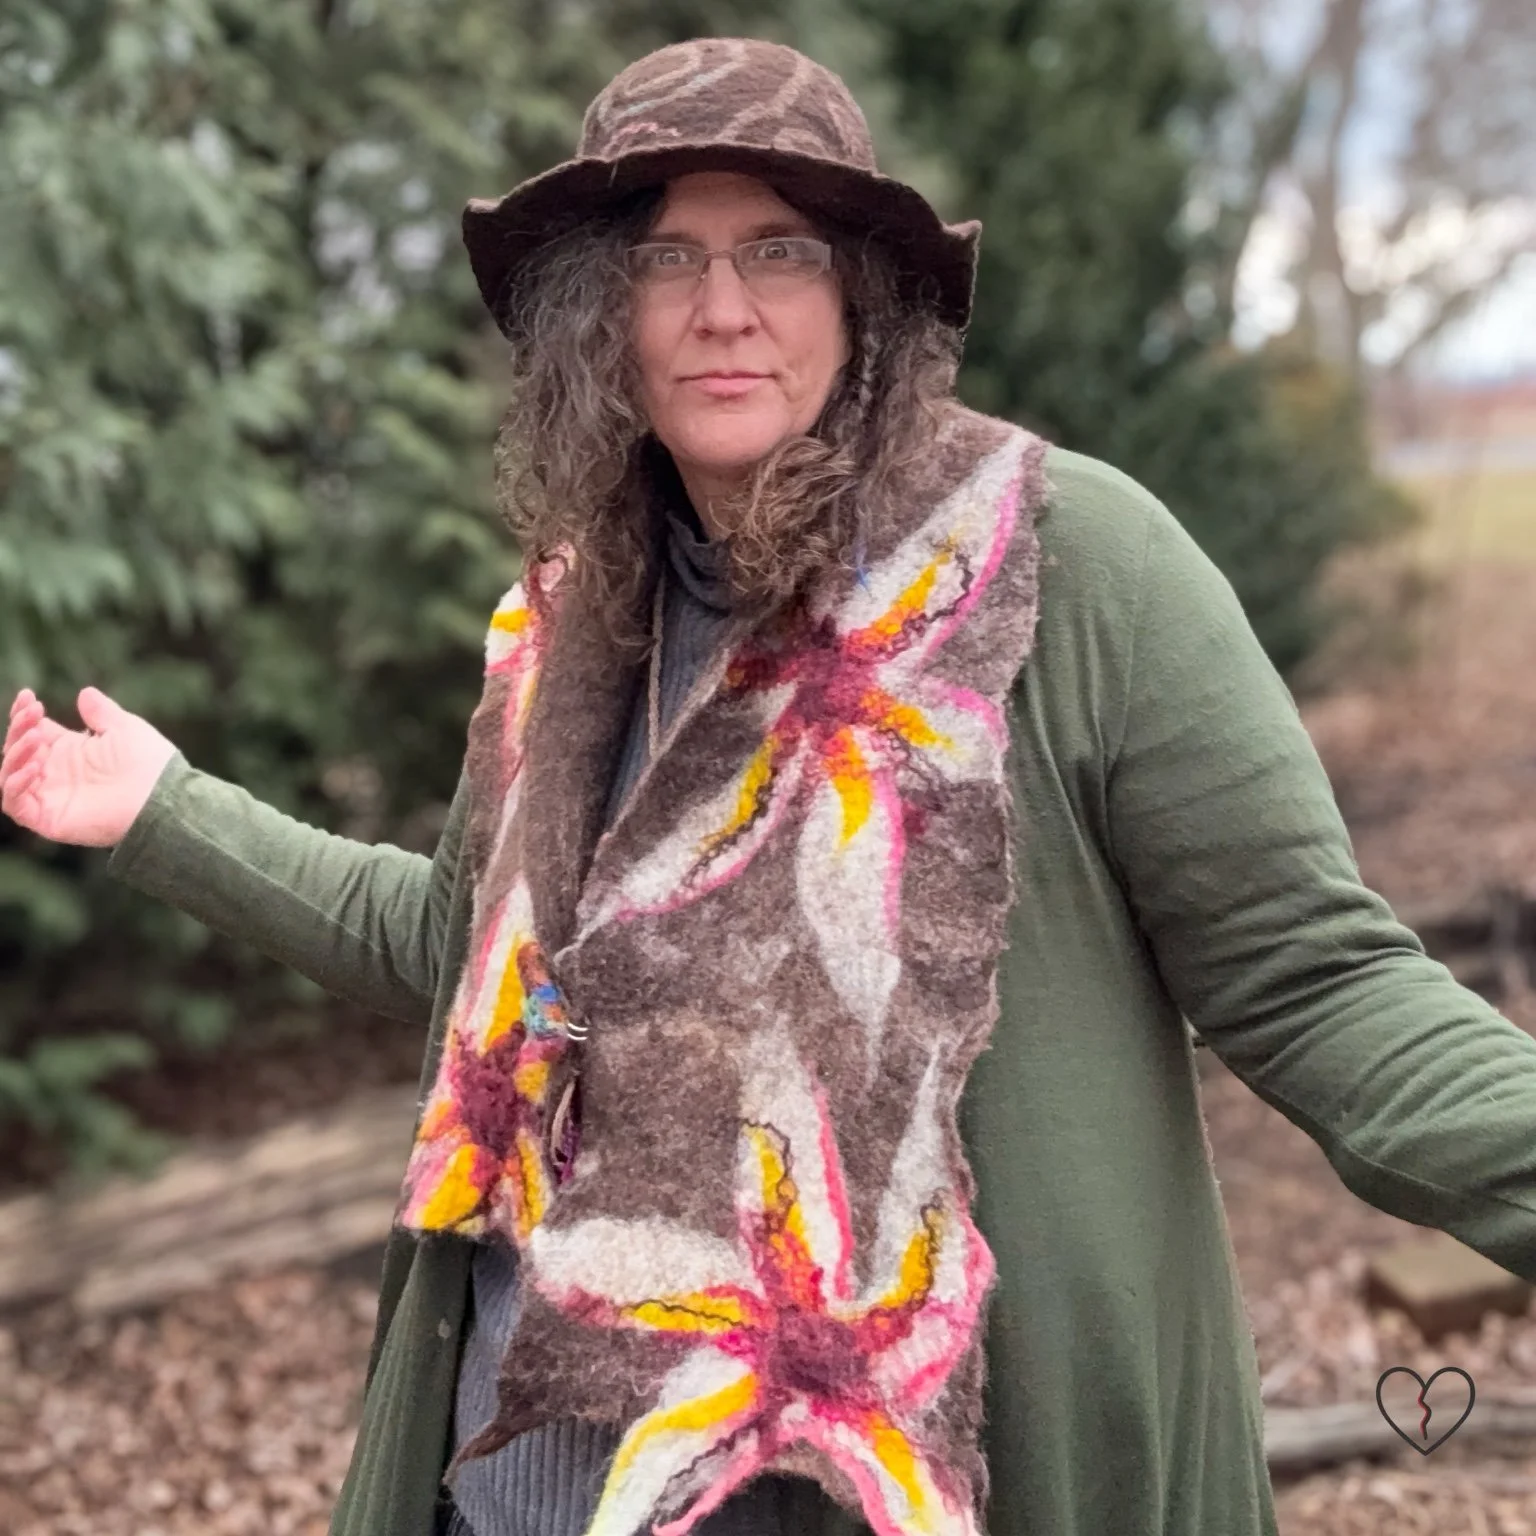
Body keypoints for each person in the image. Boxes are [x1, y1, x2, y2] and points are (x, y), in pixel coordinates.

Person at [3, 35, 1535, 1536]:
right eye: (666, 262)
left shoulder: (1069, 568)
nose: (722, 311)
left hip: (903, 1472)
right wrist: (166, 812)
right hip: (533, 1471)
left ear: (862, 297)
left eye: (780, 253)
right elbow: (468, 951)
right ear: (599, 312)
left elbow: (1320, 984)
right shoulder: (573, 617)